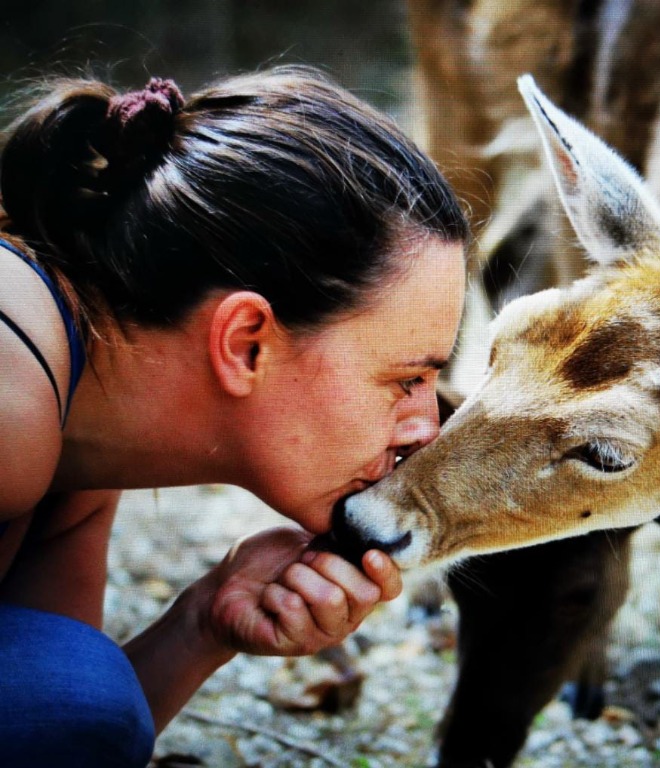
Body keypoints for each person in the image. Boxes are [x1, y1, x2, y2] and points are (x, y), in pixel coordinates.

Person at [0, 68, 469, 766]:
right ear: (247, 342)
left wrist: (202, 624)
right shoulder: (10, 411)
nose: (426, 429)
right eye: (407, 379)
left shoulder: (87, 443)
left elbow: (67, 743)